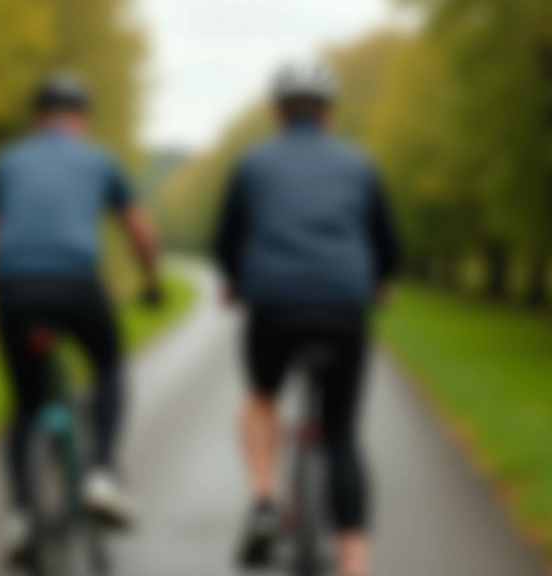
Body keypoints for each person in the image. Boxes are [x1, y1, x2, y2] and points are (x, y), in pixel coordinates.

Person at [213, 60, 400, 576]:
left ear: (277, 113)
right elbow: (387, 244)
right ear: (329, 113)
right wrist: (381, 283)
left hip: (272, 306)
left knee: (261, 399)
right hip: (343, 307)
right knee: (341, 435)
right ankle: (355, 563)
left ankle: (265, 501)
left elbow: (226, 241)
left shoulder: (251, 164)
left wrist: (234, 282)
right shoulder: (361, 164)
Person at [0, 72, 162, 565]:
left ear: (38, 118)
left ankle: (19, 515)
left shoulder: (5, 161)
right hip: (77, 286)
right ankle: (101, 473)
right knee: (108, 366)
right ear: (81, 119)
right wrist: (150, 284)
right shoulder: (99, 158)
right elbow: (140, 233)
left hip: (13, 289)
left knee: (25, 404)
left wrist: (0, 295)